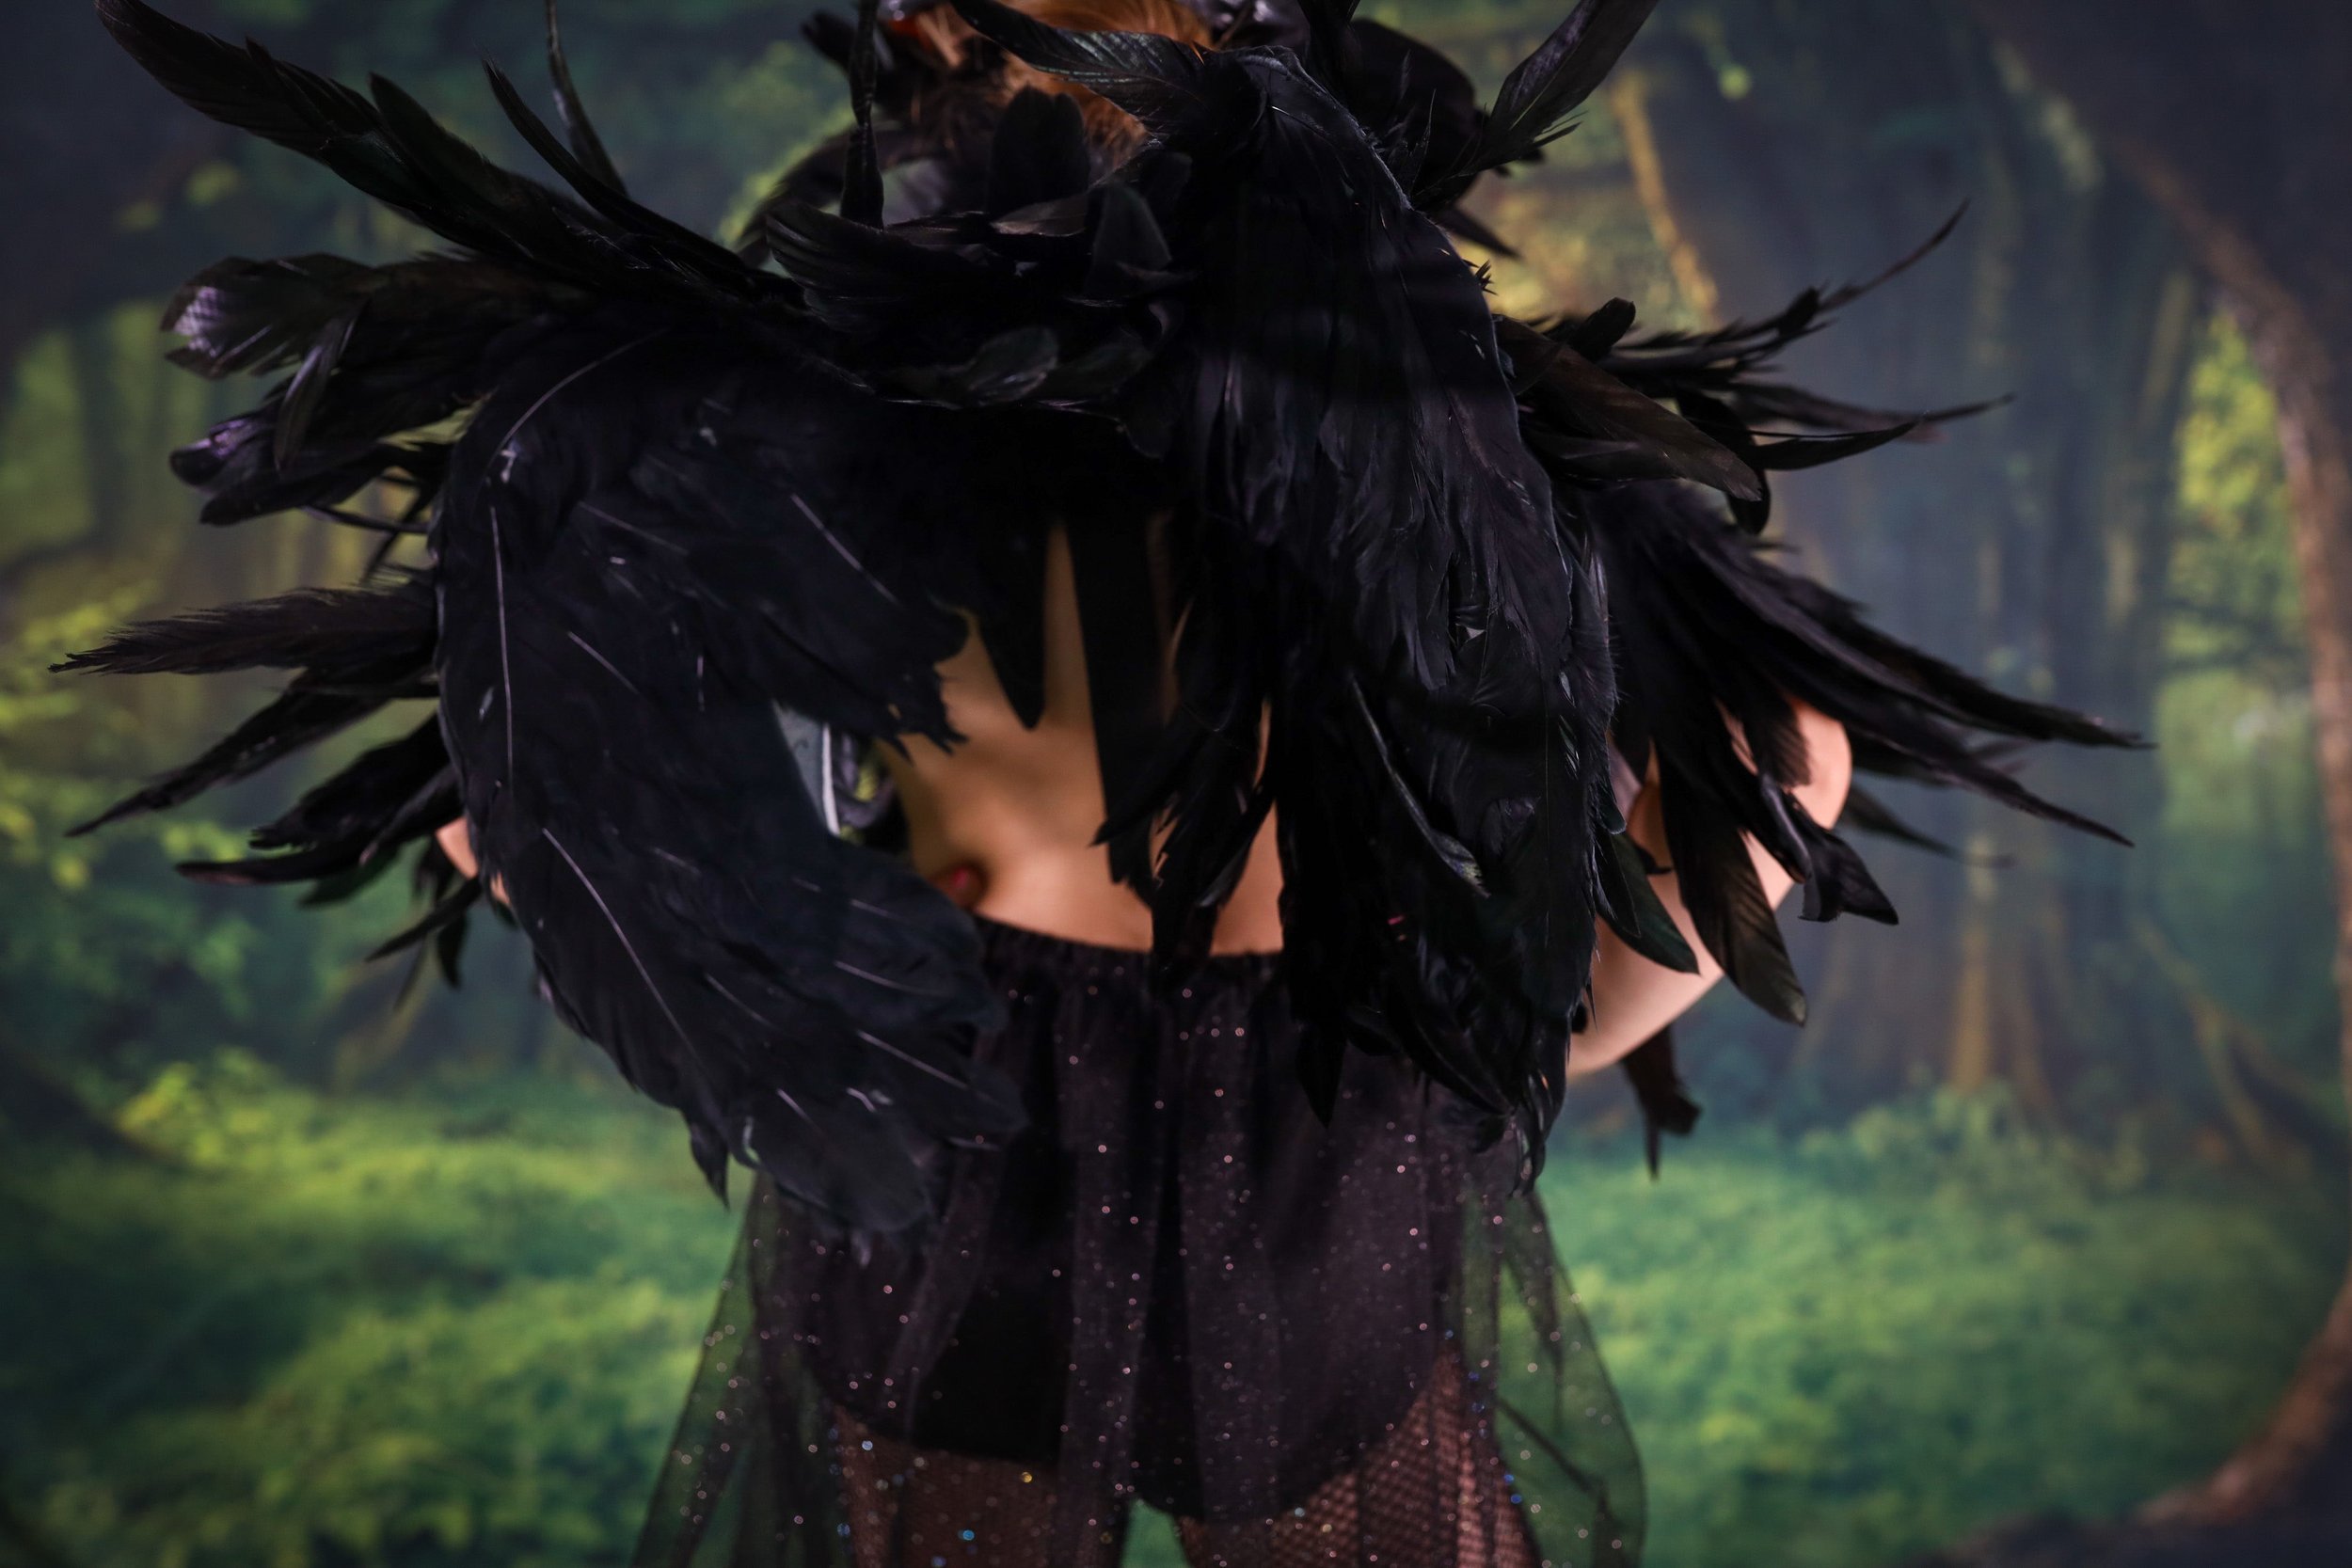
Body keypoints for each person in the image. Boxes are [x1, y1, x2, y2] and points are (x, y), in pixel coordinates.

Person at [68, 0, 2133, 1562]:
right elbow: (1786, 751)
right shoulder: (1442, 447)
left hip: (975, 1153)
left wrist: (776, 974)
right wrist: (1519, 1019)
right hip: (1294, 1146)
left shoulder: (788, 421)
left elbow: (514, 812)